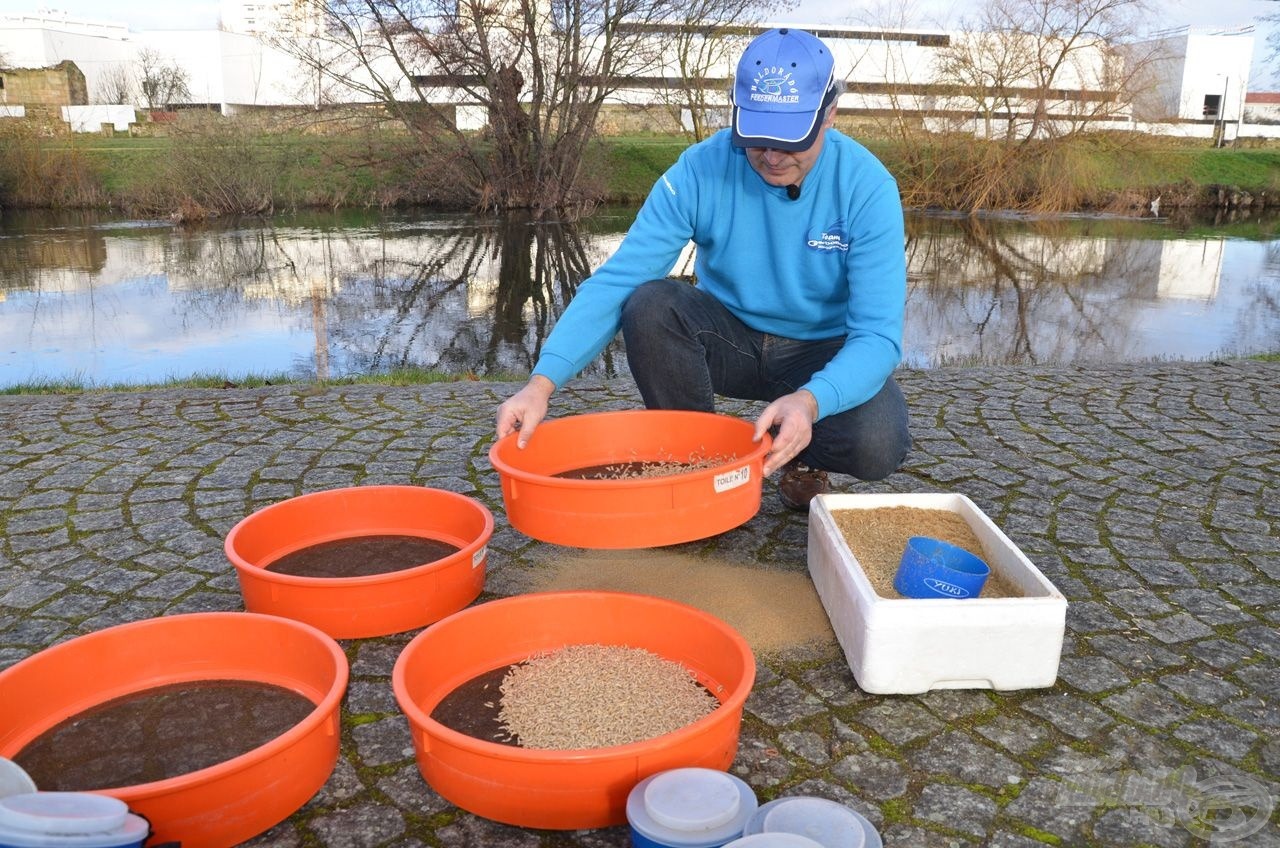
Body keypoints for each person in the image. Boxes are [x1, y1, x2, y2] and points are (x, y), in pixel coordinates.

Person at [496, 27, 911, 510]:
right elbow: (620, 278)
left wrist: (811, 401)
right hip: (728, 337)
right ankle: (698, 465)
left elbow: (878, 337)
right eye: (757, 138)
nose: (772, 156)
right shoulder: (699, 169)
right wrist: (540, 385)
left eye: (788, 139)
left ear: (829, 114)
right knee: (650, 303)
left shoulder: (868, 187)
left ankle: (794, 444)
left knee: (878, 440)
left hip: (818, 351)